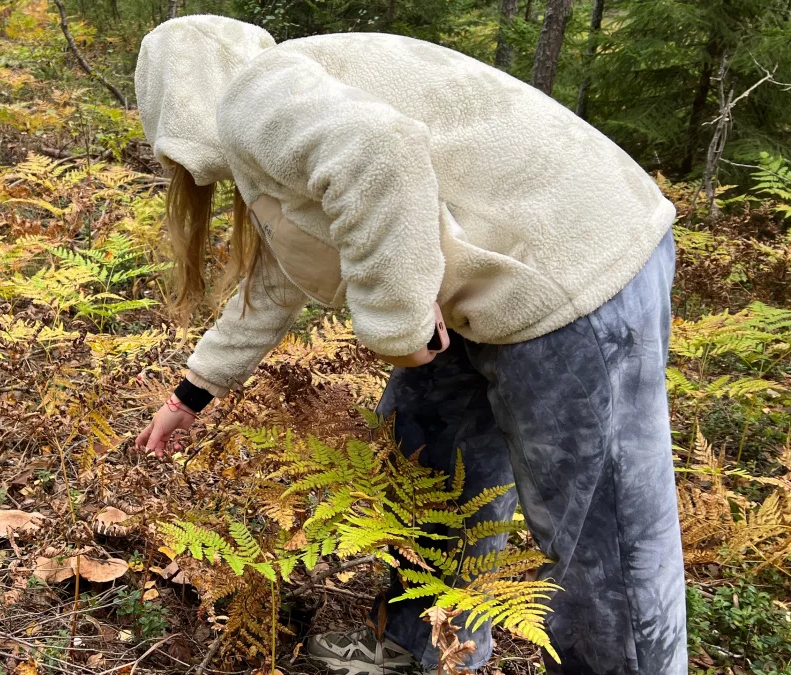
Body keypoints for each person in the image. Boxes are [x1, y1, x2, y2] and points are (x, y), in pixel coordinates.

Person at [131, 15, 686, 675]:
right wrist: (191, 393)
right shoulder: (280, 117)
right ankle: (424, 649)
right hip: (485, 284)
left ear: (173, 100)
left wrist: (395, 324)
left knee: (600, 538)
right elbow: (278, 277)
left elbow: (382, 148)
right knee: (426, 462)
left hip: (578, 269)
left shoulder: (256, 95)